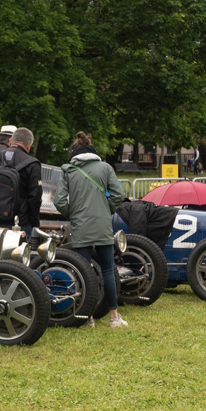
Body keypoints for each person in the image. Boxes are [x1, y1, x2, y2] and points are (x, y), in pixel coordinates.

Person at [54, 131, 129, 327]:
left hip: (80, 225)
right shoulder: (105, 167)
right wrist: (107, 210)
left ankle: (88, 317)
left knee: (83, 271)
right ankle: (114, 317)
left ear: (74, 151)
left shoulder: (69, 170)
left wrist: (72, 214)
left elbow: (59, 200)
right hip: (102, 224)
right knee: (108, 271)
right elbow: (118, 194)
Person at [0, 127, 42, 235]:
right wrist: (34, 222)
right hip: (20, 223)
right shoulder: (32, 164)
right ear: (29, 145)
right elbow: (35, 198)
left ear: (11, 141)